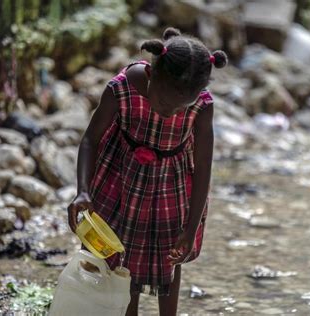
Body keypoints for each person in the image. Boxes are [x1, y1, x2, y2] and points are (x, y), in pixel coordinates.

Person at [67, 27, 227, 316]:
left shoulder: (202, 107)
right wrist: (83, 190)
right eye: (166, 103)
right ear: (152, 76)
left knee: (171, 256)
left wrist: (191, 229)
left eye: (182, 107)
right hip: (119, 182)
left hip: (170, 188)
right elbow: (90, 138)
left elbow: (203, 167)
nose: (172, 112)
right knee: (121, 260)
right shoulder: (122, 89)